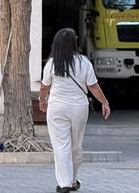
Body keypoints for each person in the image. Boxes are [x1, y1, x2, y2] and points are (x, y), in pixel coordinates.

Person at [39, 28, 111, 193]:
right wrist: (104, 102)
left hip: (57, 108)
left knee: (61, 145)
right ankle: (71, 180)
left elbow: (44, 86)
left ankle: (65, 183)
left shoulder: (52, 63)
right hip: (79, 108)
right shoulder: (84, 62)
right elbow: (92, 86)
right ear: (74, 42)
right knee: (76, 146)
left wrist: (42, 100)